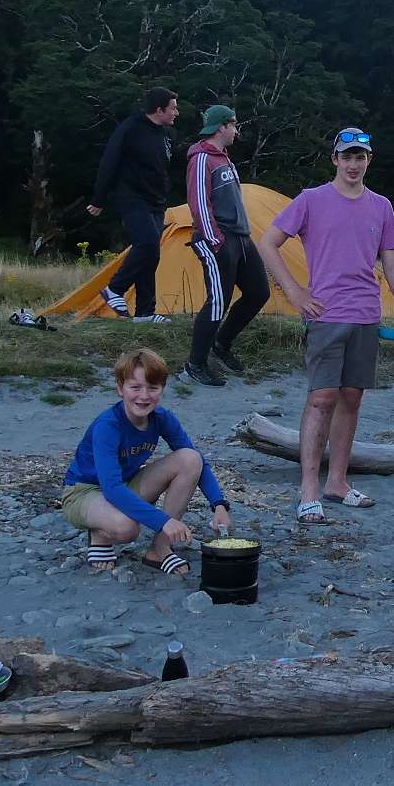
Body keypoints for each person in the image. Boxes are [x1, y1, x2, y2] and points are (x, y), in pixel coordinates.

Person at [259, 127, 394, 524]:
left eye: (360, 156)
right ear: (335, 159)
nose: (353, 164)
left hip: (366, 314)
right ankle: (308, 489)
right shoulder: (311, 199)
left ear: (368, 160)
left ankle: (338, 483)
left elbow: (392, 261)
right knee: (321, 398)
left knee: (351, 398)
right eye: (347, 156)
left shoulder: (381, 206)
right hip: (325, 315)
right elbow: (267, 242)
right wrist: (294, 292)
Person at [59, 347, 231, 575]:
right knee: (126, 528)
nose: (144, 396)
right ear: (120, 388)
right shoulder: (108, 426)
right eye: (135, 387)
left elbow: (197, 460)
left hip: (124, 485)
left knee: (190, 458)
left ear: (162, 389)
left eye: (152, 387)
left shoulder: (161, 418)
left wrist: (219, 505)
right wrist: (164, 521)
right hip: (83, 492)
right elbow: (111, 488)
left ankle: (159, 549)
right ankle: (100, 534)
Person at [180, 104, 270, 387]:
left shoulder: (223, 158)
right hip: (218, 238)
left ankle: (221, 343)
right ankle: (195, 364)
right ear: (221, 127)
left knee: (258, 292)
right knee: (218, 301)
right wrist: (215, 239)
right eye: (233, 125)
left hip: (241, 237)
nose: (236, 130)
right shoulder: (201, 159)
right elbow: (198, 202)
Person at [89, 87, 179, 323]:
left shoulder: (166, 134)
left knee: (152, 254)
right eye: (173, 108)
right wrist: (99, 199)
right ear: (159, 110)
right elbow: (109, 162)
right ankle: (114, 289)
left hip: (156, 201)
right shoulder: (130, 129)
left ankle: (145, 312)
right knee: (146, 243)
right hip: (132, 198)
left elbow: (163, 167)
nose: (176, 112)